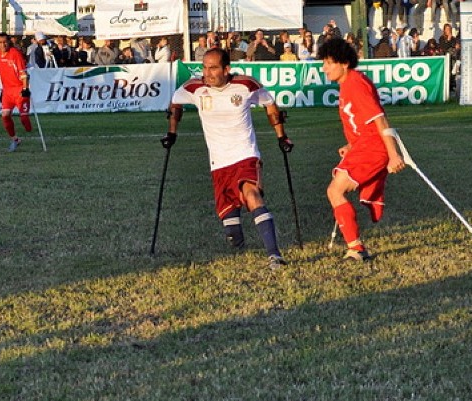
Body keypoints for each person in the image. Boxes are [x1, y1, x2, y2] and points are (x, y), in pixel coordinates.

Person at [161, 47, 294, 270]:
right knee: (233, 234)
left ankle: (274, 255)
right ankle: (236, 234)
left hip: (245, 155)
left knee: (252, 196)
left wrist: (282, 137)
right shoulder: (194, 88)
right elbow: (175, 103)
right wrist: (172, 132)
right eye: (204, 67)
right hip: (219, 163)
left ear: (226, 69)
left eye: (213, 68)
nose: (207, 73)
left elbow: (270, 104)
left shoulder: (246, 85)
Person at [318, 37, 406, 261]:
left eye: (329, 63)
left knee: (335, 191)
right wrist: (350, 145)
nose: (324, 68)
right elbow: (362, 121)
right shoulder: (348, 84)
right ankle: (371, 197)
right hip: (364, 145)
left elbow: (380, 120)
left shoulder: (356, 83)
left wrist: (393, 154)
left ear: (344, 63)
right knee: (336, 189)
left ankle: (356, 248)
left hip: (373, 148)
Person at [0, 33, 33, 152]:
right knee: (5, 116)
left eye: (5, 42)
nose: (3, 44)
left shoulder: (15, 54)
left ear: (9, 42)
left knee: (25, 120)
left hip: (19, 90)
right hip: (7, 91)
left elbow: (23, 73)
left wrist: (25, 89)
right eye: (0, 42)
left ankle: (28, 128)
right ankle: (15, 139)